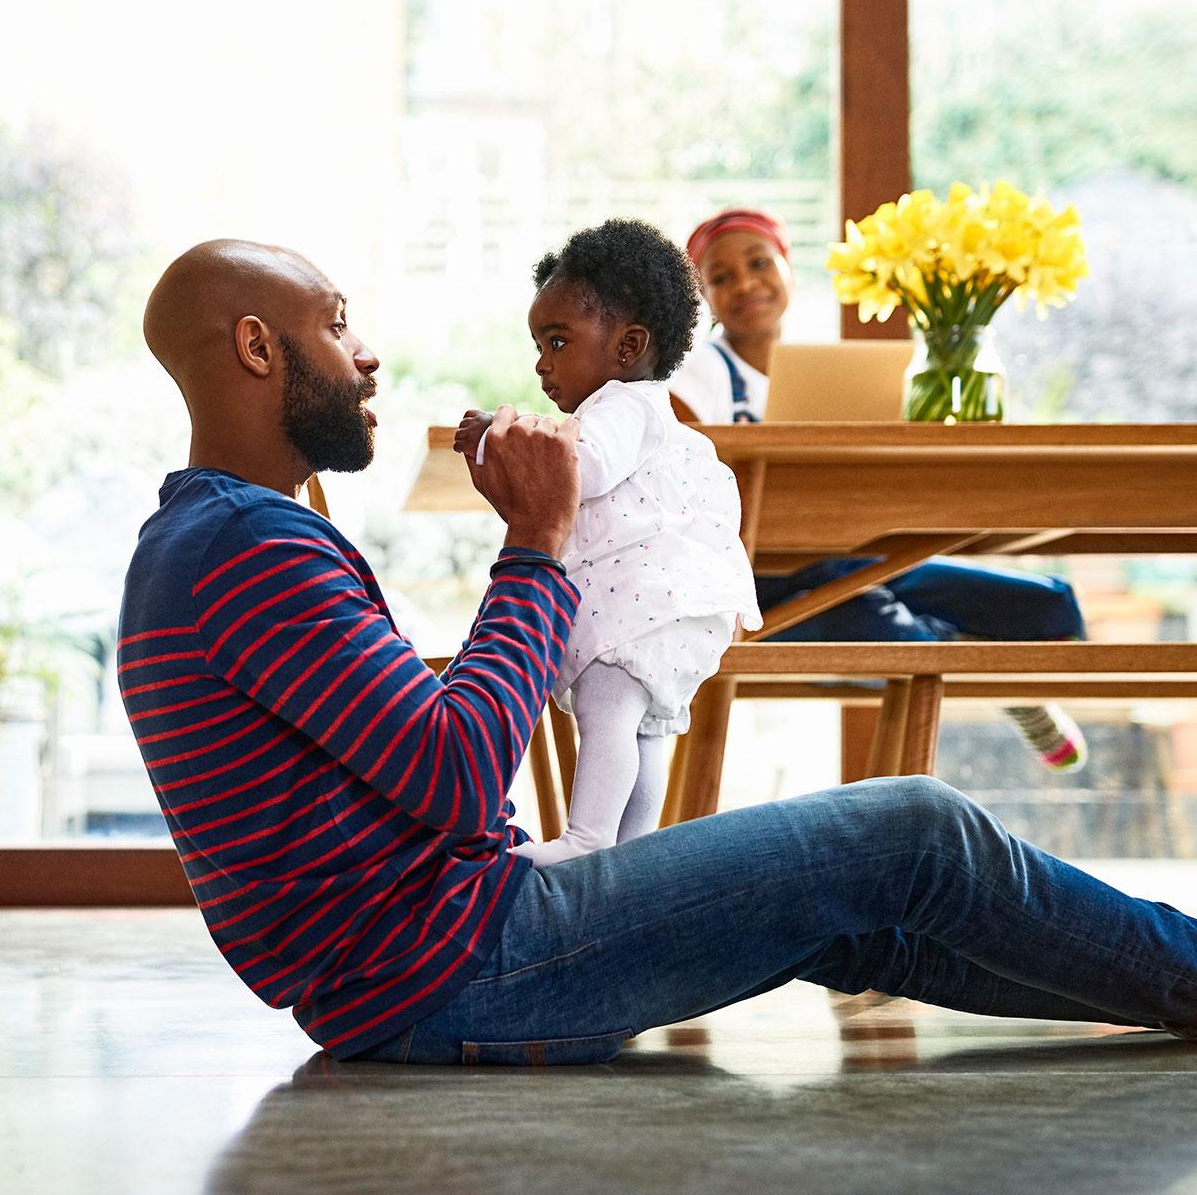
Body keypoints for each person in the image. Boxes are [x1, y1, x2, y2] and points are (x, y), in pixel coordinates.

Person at [119, 237, 1197, 1068]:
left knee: (866, 913)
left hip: (423, 971)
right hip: (462, 968)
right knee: (913, 830)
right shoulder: (244, 545)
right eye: (337, 324)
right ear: (259, 348)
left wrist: (553, 598)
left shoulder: (211, 540)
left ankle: (1175, 989)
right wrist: (538, 537)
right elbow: (457, 772)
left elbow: (405, 747)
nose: (368, 354)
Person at [670, 207, 1088, 771]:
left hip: (851, 557)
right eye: (720, 277)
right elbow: (681, 481)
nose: (745, 283)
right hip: (761, 583)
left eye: (759, 262)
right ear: (704, 297)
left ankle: (965, 655)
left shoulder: (835, 373)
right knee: (875, 626)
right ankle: (992, 677)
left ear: (789, 267)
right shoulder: (698, 373)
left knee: (1049, 607)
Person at [454, 220, 761, 867]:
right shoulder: (646, 408)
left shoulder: (622, 406)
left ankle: (589, 838)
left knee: (607, 715)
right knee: (642, 730)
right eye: (538, 344)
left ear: (628, 347)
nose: (541, 363)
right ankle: (631, 854)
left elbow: (575, 472)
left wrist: (495, 435)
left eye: (558, 341)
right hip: (663, 611)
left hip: (636, 609)